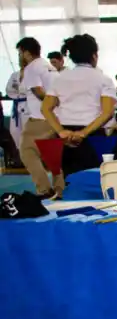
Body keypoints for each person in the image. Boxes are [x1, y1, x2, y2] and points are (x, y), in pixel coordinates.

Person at [41, 34, 117, 177]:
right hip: (92, 134)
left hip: (65, 135)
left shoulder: (59, 78)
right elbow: (107, 112)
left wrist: (61, 131)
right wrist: (83, 133)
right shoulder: (103, 79)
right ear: (94, 56)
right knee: (95, 179)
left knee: (69, 179)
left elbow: (46, 108)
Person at [18, 37, 66, 198]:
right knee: (52, 155)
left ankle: (44, 188)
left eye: (21, 52)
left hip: (40, 117)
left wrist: (50, 104)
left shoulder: (32, 68)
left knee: (27, 151)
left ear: (26, 52)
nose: (20, 56)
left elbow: (39, 92)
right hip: (57, 118)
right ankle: (59, 189)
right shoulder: (49, 67)